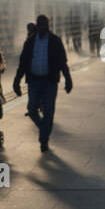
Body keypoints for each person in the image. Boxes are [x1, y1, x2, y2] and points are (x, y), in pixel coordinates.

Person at [13, 14, 73, 152]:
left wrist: (68, 79)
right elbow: (22, 63)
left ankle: (44, 139)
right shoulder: (30, 42)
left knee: (49, 111)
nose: (42, 27)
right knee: (32, 110)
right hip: (34, 80)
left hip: (49, 81)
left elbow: (62, 62)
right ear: (37, 25)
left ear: (48, 26)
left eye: (44, 25)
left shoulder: (55, 41)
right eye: (40, 25)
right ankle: (44, 128)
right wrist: (17, 81)